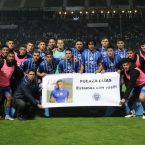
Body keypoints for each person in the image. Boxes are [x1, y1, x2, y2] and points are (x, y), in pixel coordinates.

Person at [0, 51, 22, 120]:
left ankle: (7, 115)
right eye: (10, 56)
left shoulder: (14, 64)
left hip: (7, 86)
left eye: (12, 56)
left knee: (9, 98)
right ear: (7, 56)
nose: (11, 58)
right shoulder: (2, 62)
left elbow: (18, 73)